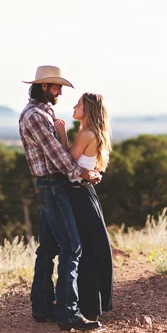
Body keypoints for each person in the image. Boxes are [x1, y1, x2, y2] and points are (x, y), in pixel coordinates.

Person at [19, 65, 103, 332]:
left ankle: (42, 308)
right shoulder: (35, 116)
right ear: (44, 87)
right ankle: (69, 314)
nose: (60, 92)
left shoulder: (45, 112)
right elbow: (58, 158)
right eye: (57, 87)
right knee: (72, 246)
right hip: (52, 185)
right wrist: (85, 173)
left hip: (51, 186)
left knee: (48, 249)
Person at [54, 92, 114, 320]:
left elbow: (66, 162)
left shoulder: (86, 134)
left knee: (83, 250)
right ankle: (90, 304)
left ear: (88, 110)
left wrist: (61, 135)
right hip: (86, 194)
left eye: (78, 104)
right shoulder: (91, 133)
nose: (74, 106)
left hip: (79, 196)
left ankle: (87, 307)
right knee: (90, 247)